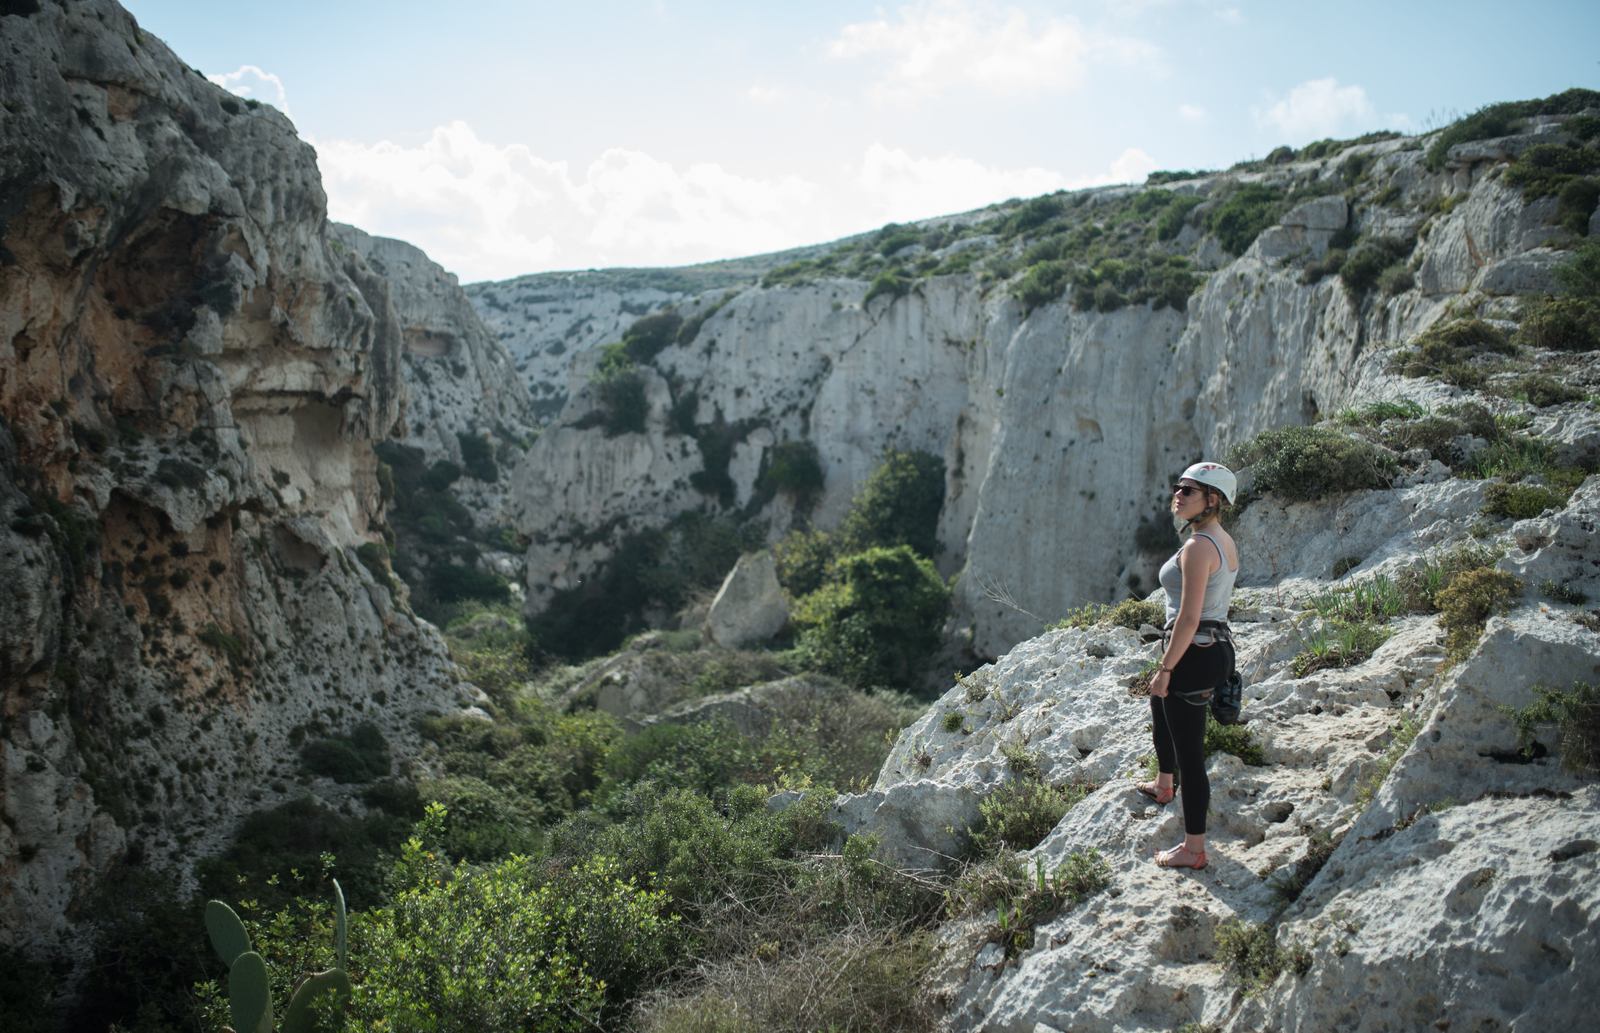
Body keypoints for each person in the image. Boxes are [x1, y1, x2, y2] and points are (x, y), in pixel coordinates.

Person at [1135, 462, 1239, 871]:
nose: (1178, 495)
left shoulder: (1198, 547)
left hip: (1195, 651)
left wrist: (1166, 669)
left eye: (1189, 490)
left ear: (1212, 499)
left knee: (1191, 754)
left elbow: (1189, 617)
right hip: (1214, 647)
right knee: (1160, 704)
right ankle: (1164, 783)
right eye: (1177, 487)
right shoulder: (1221, 539)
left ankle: (1194, 849)